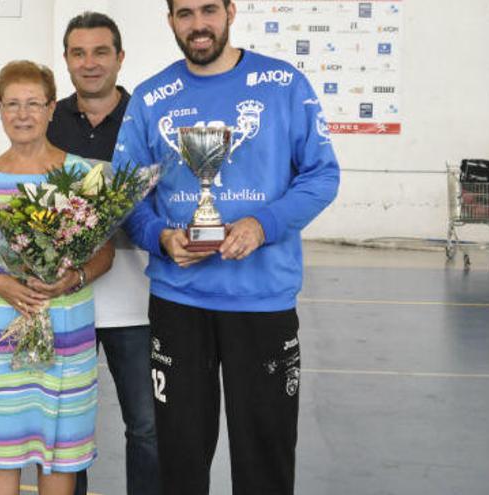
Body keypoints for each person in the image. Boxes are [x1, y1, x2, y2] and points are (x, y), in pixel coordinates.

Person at [112, 0, 341, 493]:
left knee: (266, 455)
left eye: (209, 10)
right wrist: (160, 236)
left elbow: (322, 175)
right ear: (171, 20)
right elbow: (126, 195)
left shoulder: (284, 86)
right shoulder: (153, 98)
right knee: (179, 459)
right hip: (179, 304)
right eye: (185, 13)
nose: (198, 25)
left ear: (231, 12)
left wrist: (263, 224)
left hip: (263, 302)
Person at [0, 60, 114, 495]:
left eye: (33, 104)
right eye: (12, 104)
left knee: (59, 464)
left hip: (65, 341)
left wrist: (72, 278)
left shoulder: (82, 175)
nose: (23, 114)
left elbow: (105, 253)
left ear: (51, 109)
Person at [47, 12, 159, 495]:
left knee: (148, 428)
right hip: (65, 302)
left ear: (120, 57)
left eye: (100, 52)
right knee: (65, 431)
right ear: (67, 60)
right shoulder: (48, 121)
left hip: (138, 305)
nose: (89, 63)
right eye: (78, 53)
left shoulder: (148, 119)